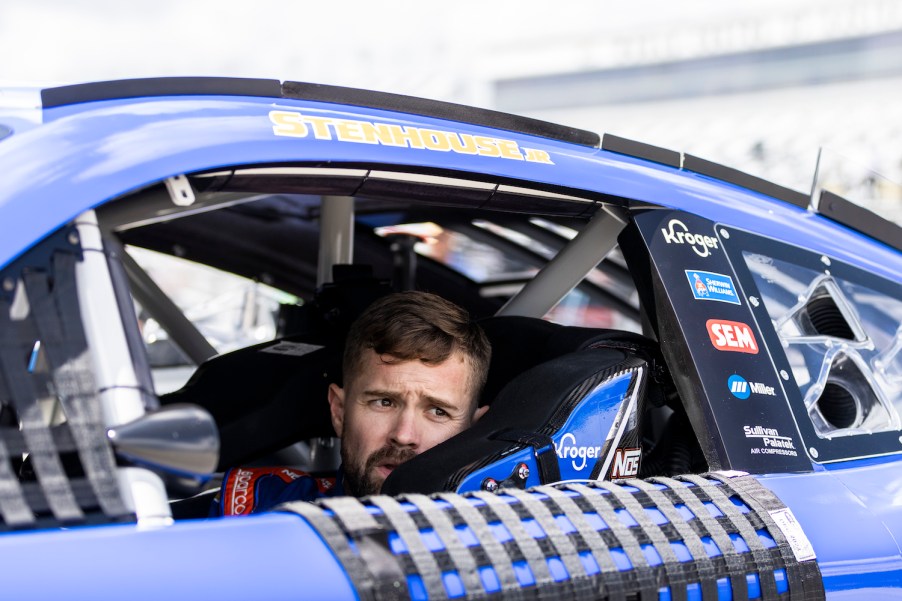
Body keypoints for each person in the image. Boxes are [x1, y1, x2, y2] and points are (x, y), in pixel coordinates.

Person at [213, 291, 491, 515]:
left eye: (437, 411)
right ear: (339, 411)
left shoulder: (505, 534)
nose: (404, 435)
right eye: (384, 402)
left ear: (474, 433)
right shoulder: (258, 508)